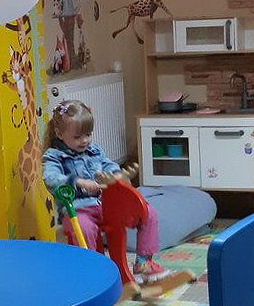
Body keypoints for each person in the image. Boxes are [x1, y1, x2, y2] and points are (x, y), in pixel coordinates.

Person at [42, 99, 170, 282]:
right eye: (77, 137)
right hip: (77, 210)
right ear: (59, 133)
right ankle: (94, 272)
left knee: (147, 212)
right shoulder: (53, 156)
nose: (85, 140)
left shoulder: (93, 150)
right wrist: (78, 182)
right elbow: (50, 178)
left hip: (105, 205)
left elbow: (108, 166)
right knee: (84, 228)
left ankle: (143, 262)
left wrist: (118, 175)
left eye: (88, 134)